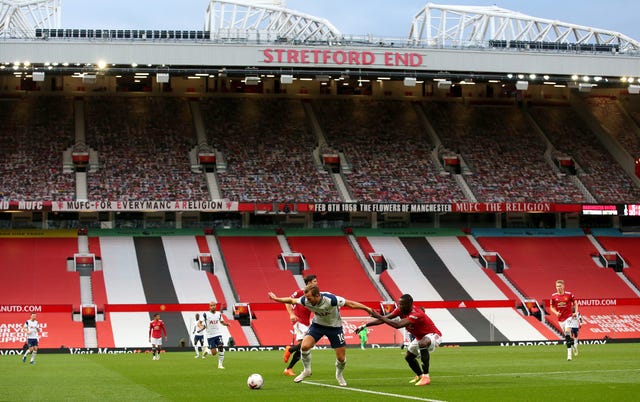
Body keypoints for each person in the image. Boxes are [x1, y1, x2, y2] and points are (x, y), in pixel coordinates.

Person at [268, 284, 375, 387]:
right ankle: (307, 370)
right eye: (306, 298)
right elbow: (291, 300)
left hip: (335, 327)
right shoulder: (305, 300)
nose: (307, 301)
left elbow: (350, 304)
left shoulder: (331, 300)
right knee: (304, 346)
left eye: (309, 298)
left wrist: (367, 309)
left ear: (317, 296)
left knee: (341, 358)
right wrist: (276, 299)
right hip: (318, 325)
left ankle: (339, 374)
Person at [356, 294, 442, 386]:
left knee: (422, 344)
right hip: (420, 337)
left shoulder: (417, 314)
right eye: (399, 304)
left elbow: (398, 325)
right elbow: (384, 319)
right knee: (408, 357)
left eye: (402, 304)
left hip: (433, 335)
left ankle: (426, 377)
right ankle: (420, 376)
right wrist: (364, 325)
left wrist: (378, 315)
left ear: (409, 304)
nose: (400, 306)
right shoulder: (400, 310)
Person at [282, 274, 317, 376]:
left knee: (305, 347)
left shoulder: (313, 294)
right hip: (299, 321)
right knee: (306, 345)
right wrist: (291, 314)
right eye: (315, 281)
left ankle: (289, 368)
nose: (317, 283)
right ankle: (290, 350)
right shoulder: (301, 292)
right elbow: (287, 301)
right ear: (309, 283)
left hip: (306, 322)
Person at [549, 279, 579, 361]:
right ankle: (573, 345)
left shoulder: (569, 295)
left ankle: (569, 355)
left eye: (560, 286)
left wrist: (575, 312)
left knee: (567, 333)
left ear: (563, 286)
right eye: (557, 286)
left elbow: (575, 303)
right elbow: (551, 307)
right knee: (567, 337)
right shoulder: (553, 296)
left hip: (569, 317)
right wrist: (556, 313)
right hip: (560, 319)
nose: (558, 288)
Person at [202, 301, 230, 369]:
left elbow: (221, 322)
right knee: (214, 353)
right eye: (211, 305)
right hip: (210, 336)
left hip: (218, 334)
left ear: (215, 306)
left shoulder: (219, 314)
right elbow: (200, 322)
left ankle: (220, 365)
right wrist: (201, 327)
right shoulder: (206, 314)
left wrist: (226, 324)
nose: (213, 306)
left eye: (214, 305)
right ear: (209, 306)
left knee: (221, 347)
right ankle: (207, 350)